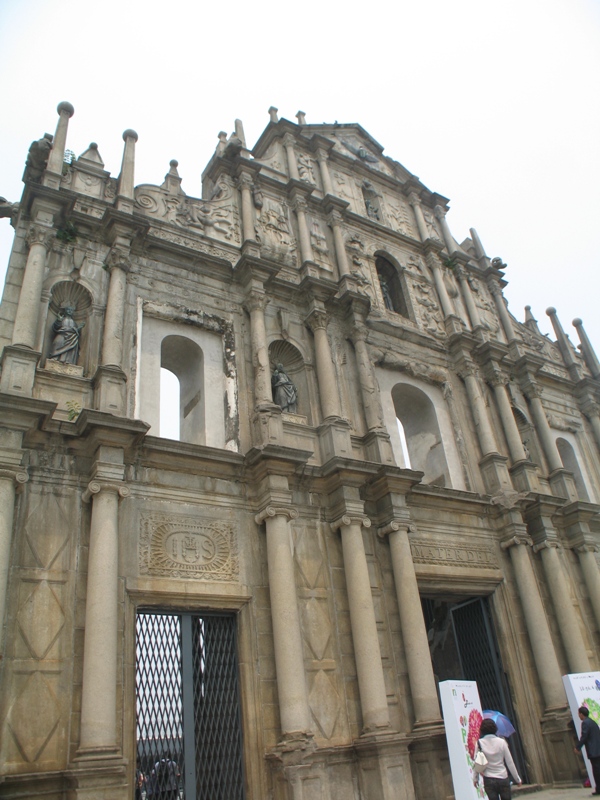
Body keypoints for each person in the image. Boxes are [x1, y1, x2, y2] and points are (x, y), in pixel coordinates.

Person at [475, 718, 522, 800]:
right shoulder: (502, 742)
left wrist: (475, 778)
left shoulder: (479, 743)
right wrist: (517, 779)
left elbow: (477, 762)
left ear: (482, 730)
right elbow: (510, 762)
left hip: (488, 779)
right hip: (503, 777)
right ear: (495, 728)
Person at [574, 705, 600, 795]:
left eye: (579, 714)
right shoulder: (593, 722)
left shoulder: (585, 723)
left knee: (596, 771)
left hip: (594, 750)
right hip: (598, 749)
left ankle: (599, 789)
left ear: (581, 714)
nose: (578, 715)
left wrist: (578, 747)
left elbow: (584, 736)